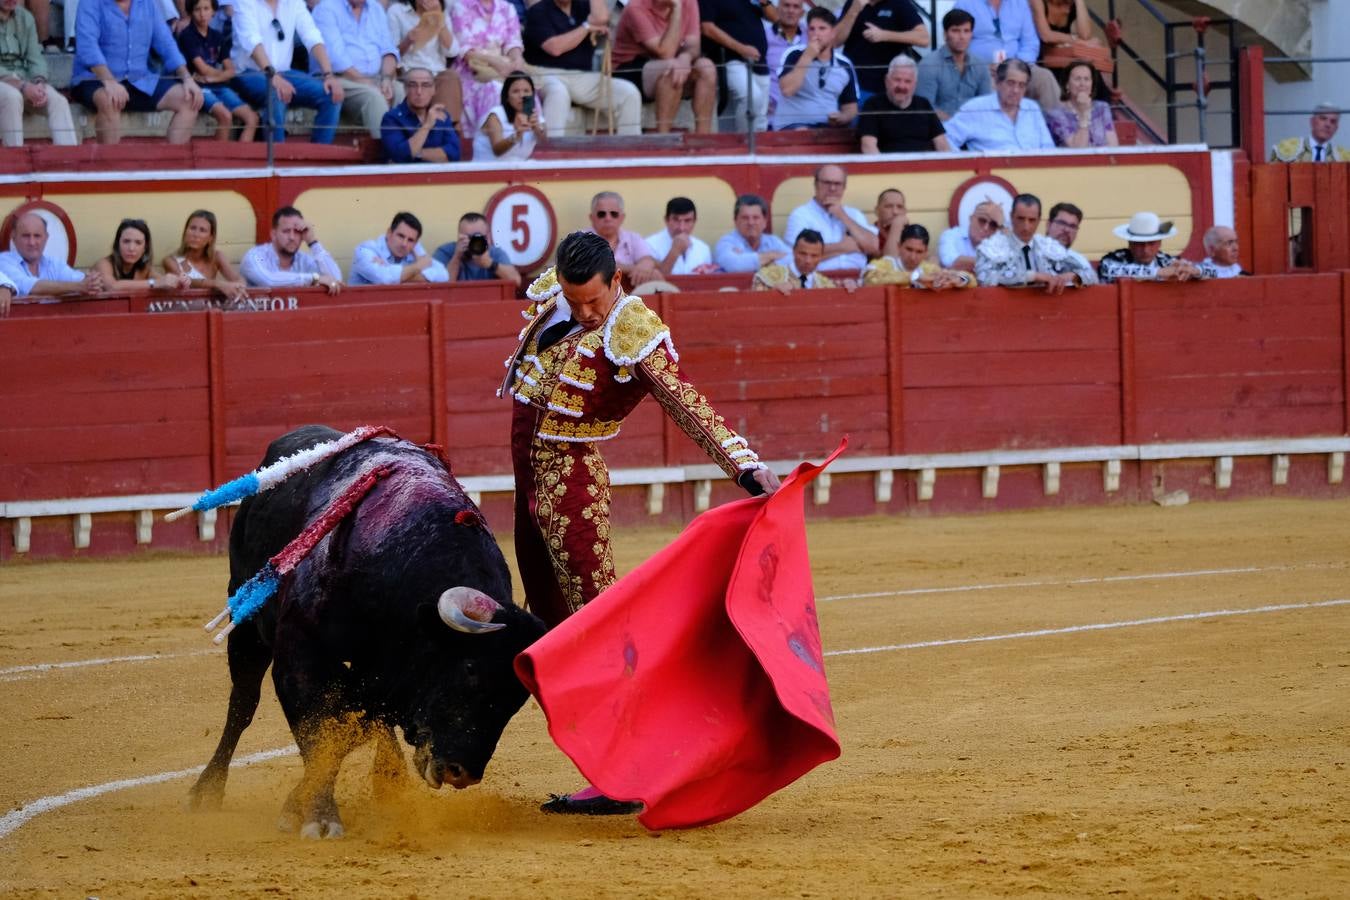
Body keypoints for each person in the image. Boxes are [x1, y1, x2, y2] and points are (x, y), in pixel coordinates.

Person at [502, 231, 780, 814]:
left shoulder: (630, 328)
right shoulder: (561, 293)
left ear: (618, 281)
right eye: (575, 301)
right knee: (546, 625)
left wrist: (745, 467)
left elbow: (684, 401)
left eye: (594, 303)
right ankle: (604, 759)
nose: (584, 313)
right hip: (529, 488)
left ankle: (624, 773)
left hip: (573, 489)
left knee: (595, 626)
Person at [71, 0, 204, 144]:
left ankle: (170, 162)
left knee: (190, 99)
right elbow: (87, 46)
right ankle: (109, 164)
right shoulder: (90, 3)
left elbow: (166, 42)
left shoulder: (147, 3)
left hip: (139, 79)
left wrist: (187, 78)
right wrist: (109, 81)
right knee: (109, 100)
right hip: (95, 78)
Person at [229, 0, 344, 143]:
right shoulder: (244, 2)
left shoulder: (294, 2)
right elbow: (251, 41)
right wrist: (273, 76)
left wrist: (328, 74)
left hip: (283, 73)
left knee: (331, 94)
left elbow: (312, 36)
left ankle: (319, 156)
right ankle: (277, 157)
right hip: (248, 73)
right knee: (276, 93)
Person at [523, 0, 641, 137]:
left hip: (582, 76)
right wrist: (586, 27)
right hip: (546, 73)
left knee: (628, 93)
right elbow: (555, 48)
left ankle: (627, 153)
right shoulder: (538, 10)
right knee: (558, 93)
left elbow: (602, 18)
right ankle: (551, 151)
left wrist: (590, 25)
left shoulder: (583, 6)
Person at [613, 0, 714, 134]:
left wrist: (685, 58)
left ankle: (703, 137)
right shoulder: (635, 7)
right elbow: (665, 52)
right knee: (672, 68)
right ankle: (663, 137)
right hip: (628, 68)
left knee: (706, 66)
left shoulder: (689, 2)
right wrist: (677, 10)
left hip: (672, 63)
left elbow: (693, 45)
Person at [311, 0, 401, 138]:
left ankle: (408, 151)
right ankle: (388, 153)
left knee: (399, 90)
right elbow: (336, 59)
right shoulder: (326, 8)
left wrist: (387, 79)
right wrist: (369, 83)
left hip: (374, 78)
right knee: (374, 97)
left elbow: (388, 50)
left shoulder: (375, 8)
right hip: (338, 78)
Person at [951, 0, 1060, 113]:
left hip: (1019, 65)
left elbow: (1030, 42)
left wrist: (1017, 66)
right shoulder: (964, 4)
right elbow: (958, 43)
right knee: (990, 85)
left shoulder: (1020, 3)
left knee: (1045, 78)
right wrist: (981, 66)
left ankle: (1055, 127)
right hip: (982, 68)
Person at [974, 192, 1094, 292]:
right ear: (1011, 217)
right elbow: (984, 277)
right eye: (1021, 219)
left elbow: (1091, 276)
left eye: (1032, 220)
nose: (1026, 227)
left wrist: (1072, 276)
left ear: (1039, 220)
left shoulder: (1049, 247)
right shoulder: (992, 246)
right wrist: (1032, 276)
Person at [178, 0, 259, 142]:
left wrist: (215, 78)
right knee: (225, 116)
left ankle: (242, 161)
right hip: (198, 88)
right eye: (197, 10)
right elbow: (202, 68)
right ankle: (218, 163)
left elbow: (231, 70)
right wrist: (223, 75)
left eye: (206, 9)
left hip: (217, 86)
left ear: (214, 11)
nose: (202, 14)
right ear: (191, 12)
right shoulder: (187, 35)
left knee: (252, 118)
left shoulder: (217, 36)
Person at [0, 0, 78, 146]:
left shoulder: (25, 17)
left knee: (58, 101)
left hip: (23, 80)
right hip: (5, 82)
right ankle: (15, 160)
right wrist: (22, 86)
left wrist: (39, 82)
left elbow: (35, 57)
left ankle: (68, 163)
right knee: (12, 97)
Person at [772, 7, 857, 132]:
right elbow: (787, 90)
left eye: (822, 29)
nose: (816, 33)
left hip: (828, 127)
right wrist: (808, 56)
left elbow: (850, 107)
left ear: (833, 33)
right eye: (812, 29)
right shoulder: (794, 54)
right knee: (803, 132)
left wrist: (843, 118)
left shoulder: (844, 64)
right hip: (793, 126)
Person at [449, 0, 524, 139]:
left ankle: (521, 143)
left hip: (503, 69)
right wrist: (495, 62)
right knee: (494, 89)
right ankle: (494, 144)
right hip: (471, 72)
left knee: (524, 89)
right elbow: (465, 51)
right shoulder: (460, 7)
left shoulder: (507, 8)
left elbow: (513, 43)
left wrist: (517, 60)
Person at [942, 58, 1053, 151]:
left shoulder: (1032, 108)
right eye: (1011, 83)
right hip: (993, 174)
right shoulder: (976, 108)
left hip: (1032, 172)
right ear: (997, 82)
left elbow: (1048, 148)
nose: (1016, 90)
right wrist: (966, 166)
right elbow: (946, 139)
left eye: (1021, 85)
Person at [698, 0, 774, 133]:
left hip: (759, 62)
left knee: (760, 116)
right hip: (729, 58)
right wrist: (741, 48)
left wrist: (764, 2)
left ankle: (751, 148)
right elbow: (707, 27)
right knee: (751, 97)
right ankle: (745, 144)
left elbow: (776, 18)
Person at [784, 164, 877, 272]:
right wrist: (844, 247)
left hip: (858, 279)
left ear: (844, 187)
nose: (832, 188)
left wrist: (843, 216)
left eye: (837, 184)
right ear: (816, 184)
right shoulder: (801, 215)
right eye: (827, 183)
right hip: (819, 281)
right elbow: (799, 257)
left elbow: (874, 247)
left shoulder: (854, 214)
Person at [832, 0, 925, 106]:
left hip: (881, 88)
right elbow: (834, 42)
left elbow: (923, 38)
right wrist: (854, 10)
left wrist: (884, 35)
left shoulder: (900, 4)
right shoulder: (853, 3)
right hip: (848, 84)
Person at [386, 0, 463, 127]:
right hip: (409, 71)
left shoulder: (442, 14)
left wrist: (439, 21)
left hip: (436, 73)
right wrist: (408, 40)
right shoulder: (397, 11)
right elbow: (390, 53)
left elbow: (452, 52)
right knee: (420, 81)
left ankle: (446, 130)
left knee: (451, 77)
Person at [0, 210, 109, 296]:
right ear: (13, 237)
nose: (32, 242)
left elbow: (79, 279)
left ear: (46, 238)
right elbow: (28, 286)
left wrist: (93, 281)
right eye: (26, 236)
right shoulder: (4, 261)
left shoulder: (54, 264)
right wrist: (79, 287)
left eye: (37, 236)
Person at [240, 205, 344, 292]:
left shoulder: (304, 260)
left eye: (297, 232)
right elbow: (269, 280)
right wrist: (315, 279)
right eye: (286, 231)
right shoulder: (256, 256)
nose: (292, 237)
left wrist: (313, 242)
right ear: (273, 234)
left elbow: (336, 279)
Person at [859, 56, 949, 154]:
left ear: (915, 84)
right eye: (897, 80)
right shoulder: (873, 105)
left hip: (924, 167)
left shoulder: (924, 104)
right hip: (889, 166)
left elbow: (942, 144)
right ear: (887, 81)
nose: (902, 86)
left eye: (907, 81)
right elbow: (868, 146)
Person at [916, 7, 990, 121]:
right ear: (945, 34)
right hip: (939, 131)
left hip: (974, 128)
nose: (962, 37)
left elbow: (986, 105)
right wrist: (955, 123)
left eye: (966, 31)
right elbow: (924, 108)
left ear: (971, 35)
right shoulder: (929, 64)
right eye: (956, 30)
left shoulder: (980, 66)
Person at [1097, 211, 1205, 284]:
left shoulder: (1165, 260)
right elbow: (1110, 270)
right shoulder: (1114, 259)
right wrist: (1160, 272)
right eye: (1139, 244)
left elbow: (1213, 271)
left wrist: (1194, 270)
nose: (1146, 250)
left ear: (1159, 243)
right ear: (1130, 243)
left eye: (1151, 243)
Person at [163, 209, 250, 299]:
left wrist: (240, 286)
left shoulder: (217, 256)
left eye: (202, 230)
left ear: (210, 238)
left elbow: (236, 278)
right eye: (192, 228)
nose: (196, 234)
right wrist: (218, 284)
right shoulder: (171, 261)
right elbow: (190, 282)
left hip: (210, 308)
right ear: (185, 232)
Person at [381, 66, 461, 161]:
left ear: (433, 90)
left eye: (425, 85)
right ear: (405, 89)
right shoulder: (391, 118)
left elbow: (455, 153)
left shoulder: (441, 115)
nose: (419, 92)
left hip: (436, 174)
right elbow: (400, 156)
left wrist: (417, 154)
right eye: (413, 85)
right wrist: (427, 125)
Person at [91, 219, 194, 291]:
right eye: (126, 241)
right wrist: (154, 283)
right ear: (117, 244)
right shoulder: (104, 264)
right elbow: (112, 287)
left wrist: (180, 283)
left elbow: (164, 282)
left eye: (138, 243)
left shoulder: (144, 269)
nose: (131, 248)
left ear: (145, 248)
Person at [863, 223, 975, 289]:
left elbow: (971, 280)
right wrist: (914, 277)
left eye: (919, 252)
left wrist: (959, 279)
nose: (913, 257)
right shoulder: (885, 264)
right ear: (899, 246)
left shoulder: (929, 269)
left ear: (926, 252)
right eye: (909, 249)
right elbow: (869, 279)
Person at [350, 211, 450, 285]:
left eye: (410, 240)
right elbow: (384, 278)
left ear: (416, 243)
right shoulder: (366, 250)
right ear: (389, 233)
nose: (404, 244)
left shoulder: (413, 252)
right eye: (400, 236)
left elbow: (444, 275)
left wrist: (393, 271)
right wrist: (417, 267)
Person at [586, 191, 661, 286]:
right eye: (601, 214)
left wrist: (647, 268)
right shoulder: (580, 239)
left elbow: (647, 260)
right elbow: (597, 266)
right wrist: (635, 269)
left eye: (614, 214)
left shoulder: (633, 238)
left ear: (622, 217)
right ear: (592, 217)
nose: (608, 218)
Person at [434, 211, 522, 285]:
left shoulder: (495, 253)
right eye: (468, 237)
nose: (473, 242)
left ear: (488, 237)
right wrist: (457, 257)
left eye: (477, 237)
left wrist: (490, 264)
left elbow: (517, 281)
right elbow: (441, 288)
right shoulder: (445, 252)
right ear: (459, 236)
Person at [1044, 59, 1115, 148]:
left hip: (1101, 161)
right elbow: (1078, 151)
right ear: (1067, 85)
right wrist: (1084, 114)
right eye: (1077, 79)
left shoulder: (1102, 108)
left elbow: (1113, 146)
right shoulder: (1056, 114)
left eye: (1087, 79)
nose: (1082, 84)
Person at [713, 193, 789, 274]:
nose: (751, 223)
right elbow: (734, 265)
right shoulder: (725, 242)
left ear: (765, 222)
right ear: (735, 221)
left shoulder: (773, 241)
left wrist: (746, 261)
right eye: (745, 218)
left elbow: (792, 261)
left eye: (756, 218)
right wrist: (771, 256)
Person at [475, 71, 545, 160]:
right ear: (507, 96)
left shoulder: (536, 117)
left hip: (516, 169)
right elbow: (497, 150)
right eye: (516, 91)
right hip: (487, 168)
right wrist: (517, 135)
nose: (522, 95)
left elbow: (545, 143)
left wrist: (537, 129)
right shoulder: (495, 115)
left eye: (526, 91)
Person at [645, 197, 714, 276]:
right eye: (676, 220)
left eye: (687, 220)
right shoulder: (649, 245)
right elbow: (653, 283)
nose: (682, 227)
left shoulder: (703, 248)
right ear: (666, 220)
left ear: (694, 222)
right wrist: (675, 251)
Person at [752, 228, 837, 292]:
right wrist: (773, 294)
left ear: (821, 256)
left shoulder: (827, 286)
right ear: (794, 251)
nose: (808, 260)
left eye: (814, 256)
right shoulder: (766, 277)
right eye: (803, 254)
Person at [937, 198, 1003, 271]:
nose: (986, 228)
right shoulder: (951, 235)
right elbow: (950, 262)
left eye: (993, 225)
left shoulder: (999, 243)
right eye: (982, 220)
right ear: (971, 218)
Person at [1270, 104, 1350, 163]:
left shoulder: (1344, 157)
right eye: (1323, 118)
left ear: (1336, 128)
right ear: (1312, 121)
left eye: (1333, 121)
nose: (1327, 124)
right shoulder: (1286, 148)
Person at [763, 0, 803, 115]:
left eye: (796, 7)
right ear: (778, 9)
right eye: (786, 5)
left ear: (802, 12)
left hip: (804, 112)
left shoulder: (810, 35)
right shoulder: (764, 36)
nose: (791, 10)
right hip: (771, 113)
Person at [1044, 200, 1096, 283]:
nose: (1067, 230)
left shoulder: (1079, 259)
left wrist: (1074, 276)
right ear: (1048, 225)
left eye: (1072, 226)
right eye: (1062, 223)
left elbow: (1094, 279)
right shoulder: (1034, 251)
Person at [1029, 0, 1098, 61]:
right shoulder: (1038, 1)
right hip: (1038, 58)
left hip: (1061, 58)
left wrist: (1079, 1)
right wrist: (1078, 41)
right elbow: (1046, 36)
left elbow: (1085, 35)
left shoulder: (1071, 5)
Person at [872, 187, 907, 259]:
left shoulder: (911, 233)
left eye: (899, 207)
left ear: (904, 211)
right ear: (877, 210)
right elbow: (889, 262)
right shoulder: (869, 234)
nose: (895, 212)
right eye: (889, 206)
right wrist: (897, 225)